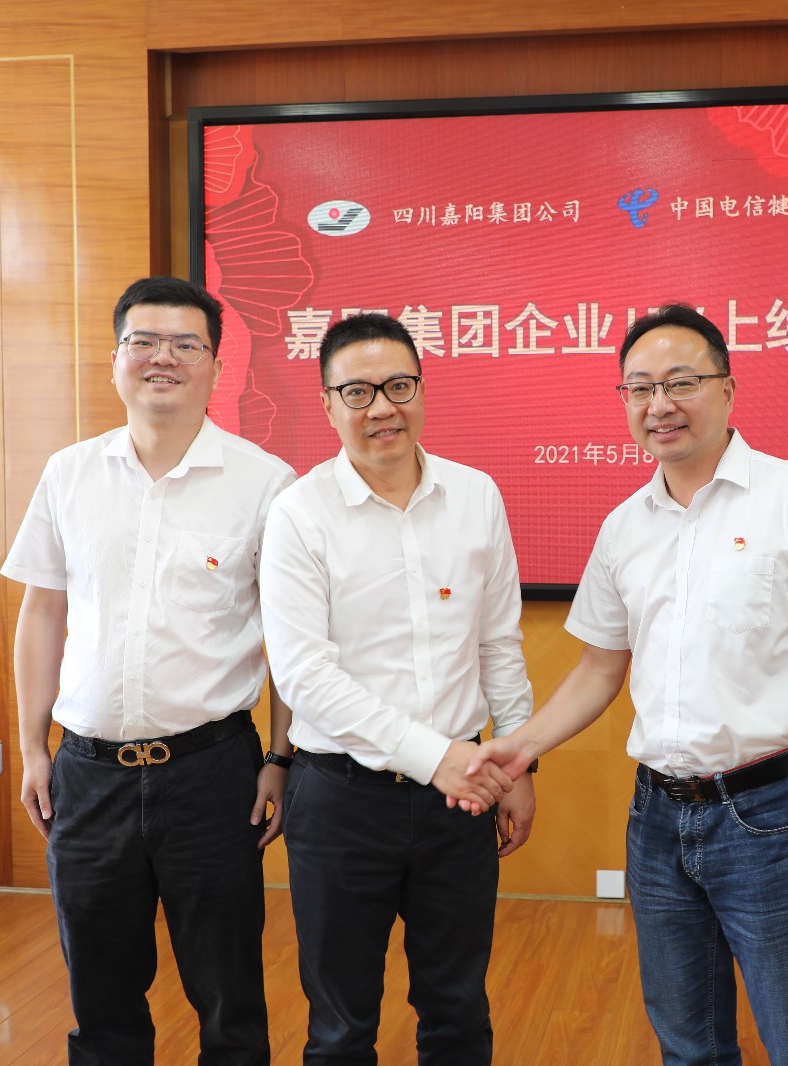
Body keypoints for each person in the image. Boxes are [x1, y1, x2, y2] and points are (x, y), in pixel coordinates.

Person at [464, 304, 788, 1066]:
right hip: (656, 819)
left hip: (772, 815)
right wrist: (517, 748)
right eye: (640, 388)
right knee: (688, 1045)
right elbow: (599, 668)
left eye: (681, 382)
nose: (659, 404)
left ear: (727, 388)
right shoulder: (624, 526)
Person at [3, 276, 297, 1064]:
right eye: (144, 342)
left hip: (213, 774)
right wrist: (33, 748)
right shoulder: (69, 474)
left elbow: (292, 638)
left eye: (185, 344)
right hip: (87, 774)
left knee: (229, 994)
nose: (162, 358)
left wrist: (280, 757)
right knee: (100, 996)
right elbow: (42, 614)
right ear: (116, 360)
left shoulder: (265, 482)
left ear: (216, 367)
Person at [258, 312, 531, 1065]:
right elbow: (305, 675)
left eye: (399, 386)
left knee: (458, 1009)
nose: (382, 408)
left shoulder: (475, 496)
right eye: (357, 392)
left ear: (422, 389)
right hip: (341, 800)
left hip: (462, 799)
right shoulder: (299, 514)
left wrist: (517, 765)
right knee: (341, 1026)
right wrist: (435, 757)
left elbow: (499, 644)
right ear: (327, 405)